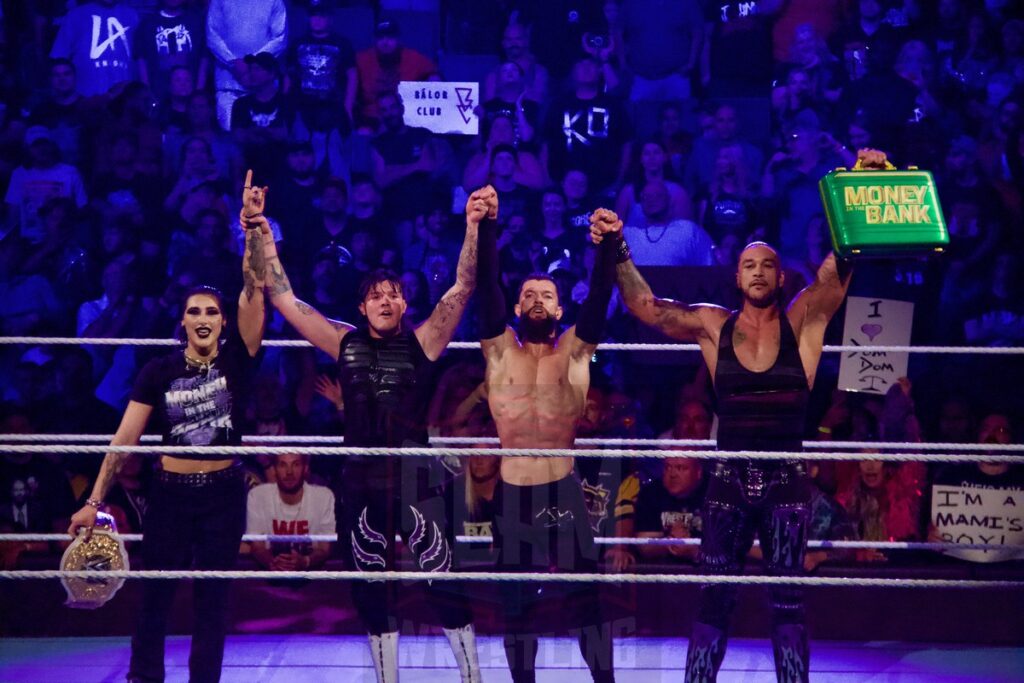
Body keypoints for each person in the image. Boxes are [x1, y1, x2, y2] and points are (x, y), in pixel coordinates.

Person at [592, 217, 853, 681]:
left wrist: (860, 194)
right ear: (736, 277)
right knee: (714, 598)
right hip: (728, 482)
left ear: (780, 276)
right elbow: (647, 306)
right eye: (748, 265)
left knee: (788, 603)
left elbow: (837, 274)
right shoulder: (714, 326)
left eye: (766, 265)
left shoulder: (804, 320)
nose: (757, 272)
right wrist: (618, 249)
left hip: (786, 483)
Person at [255, 185, 495, 683]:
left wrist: (473, 225)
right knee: (369, 584)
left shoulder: (425, 339)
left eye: (393, 293)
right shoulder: (342, 341)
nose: (385, 300)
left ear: (404, 302)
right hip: (361, 478)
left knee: (441, 578)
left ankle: (473, 677)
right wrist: (263, 235)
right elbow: (284, 298)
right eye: (374, 295)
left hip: (415, 478)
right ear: (361, 308)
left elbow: (462, 286)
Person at [67, 171, 270, 683]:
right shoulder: (158, 370)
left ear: (224, 322)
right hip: (171, 492)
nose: (203, 317)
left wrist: (249, 227)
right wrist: (94, 501)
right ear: (182, 321)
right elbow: (124, 438)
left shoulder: (239, 360)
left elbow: (253, 288)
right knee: (154, 596)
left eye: (212, 311)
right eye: (193, 311)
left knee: (212, 602)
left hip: (224, 492)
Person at [476, 206, 623, 683]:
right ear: (516, 309)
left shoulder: (576, 351)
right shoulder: (498, 352)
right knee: (517, 604)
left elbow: (600, 297)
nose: (537, 301)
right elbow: (487, 287)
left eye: (547, 295)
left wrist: (605, 245)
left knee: (586, 600)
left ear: (561, 309)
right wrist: (488, 225)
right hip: (513, 493)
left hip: (562, 489)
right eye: (528, 296)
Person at [246, 453, 335, 572]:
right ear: (274, 470)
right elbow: (257, 547)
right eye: (283, 465)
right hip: (270, 579)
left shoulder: (324, 496)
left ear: (306, 468)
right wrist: (272, 563)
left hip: (310, 578)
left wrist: (305, 561)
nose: (289, 472)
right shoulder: (257, 496)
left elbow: (324, 549)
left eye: (296, 465)